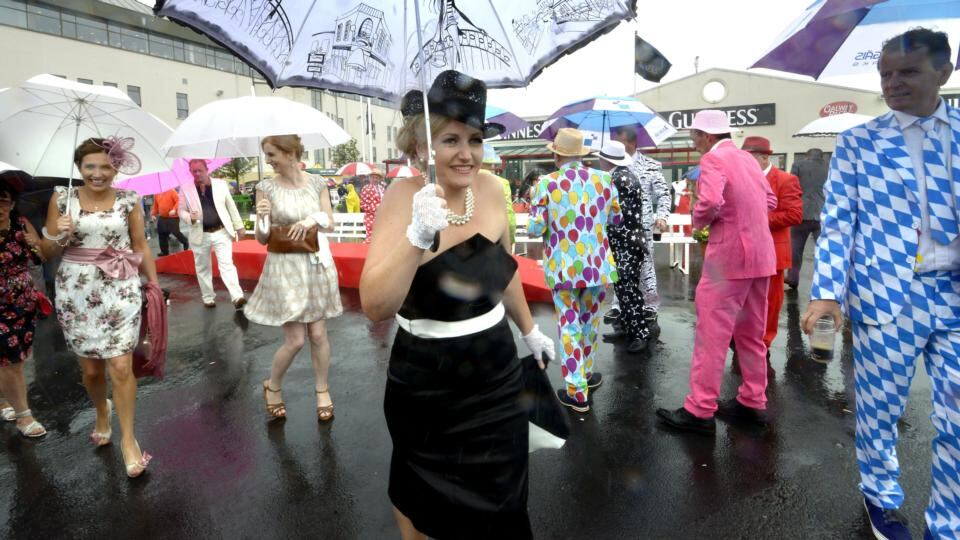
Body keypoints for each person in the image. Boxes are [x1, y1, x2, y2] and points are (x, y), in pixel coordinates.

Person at [359, 70, 554, 540]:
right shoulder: (402, 198)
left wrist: (529, 330)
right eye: (450, 139)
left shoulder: (492, 189)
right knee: (422, 499)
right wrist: (416, 238)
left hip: (495, 372)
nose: (466, 153)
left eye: (475, 138)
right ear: (422, 145)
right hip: (425, 383)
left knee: (503, 500)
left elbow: (500, 270)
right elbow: (374, 305)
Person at [802, 28, 960, 539]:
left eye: (907, 72)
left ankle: (949, 521)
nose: (892, 83)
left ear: (945, 72)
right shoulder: (859, 143)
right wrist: (826, 292)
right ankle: (881, 498)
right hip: (888, 295)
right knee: (879, 412)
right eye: (885, 74)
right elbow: (839, 222)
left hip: (955, 292)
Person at [656, 110, 776, 435]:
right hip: (762, 257)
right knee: (751, 334)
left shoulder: (713, 160)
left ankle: (700, 409)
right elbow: (770, 199)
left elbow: (709, 201)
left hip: (728, 259)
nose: (694, 144)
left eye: (694, 137)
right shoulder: (749, 160)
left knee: (712, 335)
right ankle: (753, 400)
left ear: (707, 136)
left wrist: (701, 222)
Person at [44, 137, 159, 477]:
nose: (98, 173)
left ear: (116, 168)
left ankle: (128, 439)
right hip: (76, 291)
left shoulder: (128, 199)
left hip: (120, 286)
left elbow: (140, 244)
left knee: (121, 366)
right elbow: (47, 255)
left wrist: (153, 284)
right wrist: (57, 234)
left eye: (105, 166)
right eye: (90, 166)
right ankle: (101, 411)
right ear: (79, 168)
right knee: (92, 371)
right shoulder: (61, 197)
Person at [245, 134, 341, 422]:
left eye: (272, 154)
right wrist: (262, 218)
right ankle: (273, 386)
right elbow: (262, 238)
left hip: (315, 263)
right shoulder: (265, 188)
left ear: (290, 154)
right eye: (266, 155)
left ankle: (322, 390)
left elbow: (330, 221)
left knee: (319, 334)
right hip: (285, 267)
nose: (268, 161)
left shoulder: (317, 182)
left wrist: (311, 220)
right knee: (296, 340)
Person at [529, 127, 621, 413]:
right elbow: (616, 219)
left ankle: (576, 391)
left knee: (569, 325)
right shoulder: (605, 179)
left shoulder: (546, 183)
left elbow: (535, 228)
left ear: (556, 154)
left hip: (564, 268)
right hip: (598, 265)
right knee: (590, 324)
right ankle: (587, 375)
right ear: (581, 155)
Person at [733, 136, 802, 375]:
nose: (746, 163)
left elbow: (794, 215)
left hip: (772, 252)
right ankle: (742, 339)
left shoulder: (785, 179)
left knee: (769, 304)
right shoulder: (739, 179)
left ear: (765, 157)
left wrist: (757, 220)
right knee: (741, 300)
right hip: (741, 251)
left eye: (750, 158)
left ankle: (762, 344)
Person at [609, 125, 671, 337]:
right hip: (616, 227)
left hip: (642, 226)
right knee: (618, 268)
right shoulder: (609, 168)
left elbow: (663, 194)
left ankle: (650, 306)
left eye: (621, 141)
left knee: (645, 266)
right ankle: (618, 306)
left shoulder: (651, 165)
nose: (617, 145)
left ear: (632, 143)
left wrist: (662, 216)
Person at [0, 174, 48, 438]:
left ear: (12, 201)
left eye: (4, 201)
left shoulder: (21, 223)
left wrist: (34, 245)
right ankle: (24, 416)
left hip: (22, 303)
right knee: (11, 361)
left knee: (11, 358)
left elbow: (40, 257)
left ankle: (3, 400)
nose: (0, 207)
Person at [594, 140, 651, 353]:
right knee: (624, 288)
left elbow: (612, 213)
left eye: (600, 158)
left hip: (625, 243)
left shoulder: (617, 179)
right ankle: (628, 329)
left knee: (628, 290)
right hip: (628, 242)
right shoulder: (624, 175)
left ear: (606, 160)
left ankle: (640, 334)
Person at [179, 159, 246, 309]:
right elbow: (180, 210)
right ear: (190, 172)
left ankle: (237, 296)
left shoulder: (221, 184)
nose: (197, 174)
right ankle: (208, 297)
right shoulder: (185, 188)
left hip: (221, 231)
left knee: (227, 265)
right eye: (194, 171)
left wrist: (239, 226)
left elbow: (231, 206)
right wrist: (189, 217)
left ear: (206, 169)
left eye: (200, 170)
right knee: (202, 267)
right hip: (200, 233)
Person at [786, 148, 829, 289]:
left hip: (801, 213)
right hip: (822, 214)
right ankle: (826, 281)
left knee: (796, 248)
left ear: (806, 156)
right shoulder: (829, 167)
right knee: (825, 250)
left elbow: (791, 185)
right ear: (822, 157)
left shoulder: (798, 165)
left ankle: (793, 277)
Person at [479, 143, 517, 243]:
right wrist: (511, 239)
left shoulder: (464, 182)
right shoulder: (502, 183)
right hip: (495, 236)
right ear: (492, 163)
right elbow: (508, 215)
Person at [151, 187, 189, 257]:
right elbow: (155, 205)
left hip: (173, 217)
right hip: (162, 217)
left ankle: (185, 242)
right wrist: (153, 214)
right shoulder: (156, 194)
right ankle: (164, 252)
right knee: (162, 235)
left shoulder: (171, 191)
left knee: (176, 233)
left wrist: (174, 209)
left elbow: (178, 201)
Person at [359, 168, 386, 242]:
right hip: (370, 217)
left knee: (381, 238)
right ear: (370, 178)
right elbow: (362, 204)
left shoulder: (382, 189)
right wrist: (374, 208)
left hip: (381, 217)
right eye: (373, 177)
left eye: (377, 178)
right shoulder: (366, 188)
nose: (375, 179)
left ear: (380, 179)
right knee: (371, 239)